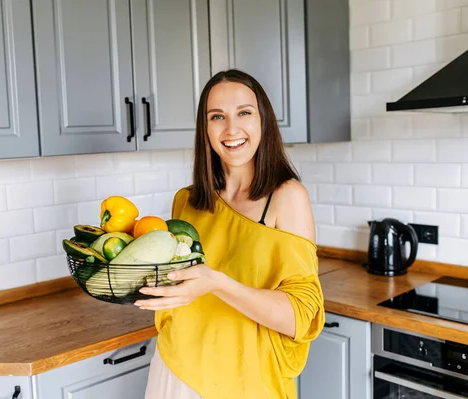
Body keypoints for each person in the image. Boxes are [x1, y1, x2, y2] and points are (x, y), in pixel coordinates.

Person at [135, 69, 325, 399]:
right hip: (175, 371)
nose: (231, 128)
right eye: (217, 116)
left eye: (244, 113)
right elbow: (175, 284)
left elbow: (301, 317)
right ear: (204, 129)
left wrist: (218, 283)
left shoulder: (286, 197)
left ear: (263, 120)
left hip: (248, 382)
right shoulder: (187, 201)